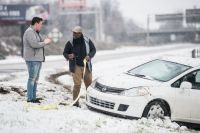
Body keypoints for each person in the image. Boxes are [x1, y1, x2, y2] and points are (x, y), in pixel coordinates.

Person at [63, 26, 96, 107]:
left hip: (86, 66)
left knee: (89, 85)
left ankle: (90, 102)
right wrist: (68, 56)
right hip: (76, 66)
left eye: (75, 33)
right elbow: (65, 53)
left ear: (80, 33)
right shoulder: (70, 42)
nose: (73, 34)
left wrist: (89, 56)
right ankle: (75, 102)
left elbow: (93, 50)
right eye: (73, 32)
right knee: (77, 85)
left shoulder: (87, 41)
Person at [23, 17, 51, 103]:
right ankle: (30, 98)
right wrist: (45, 42)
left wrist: (43, 41)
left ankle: (33, 97)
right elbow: (34, 44)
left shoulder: (35, 32)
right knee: (32, 78)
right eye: (40, 24)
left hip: (37, 59)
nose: (41, 26)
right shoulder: (29, 32)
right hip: (32, 59)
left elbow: (38, 43)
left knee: (35, 79)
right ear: (36, 23)